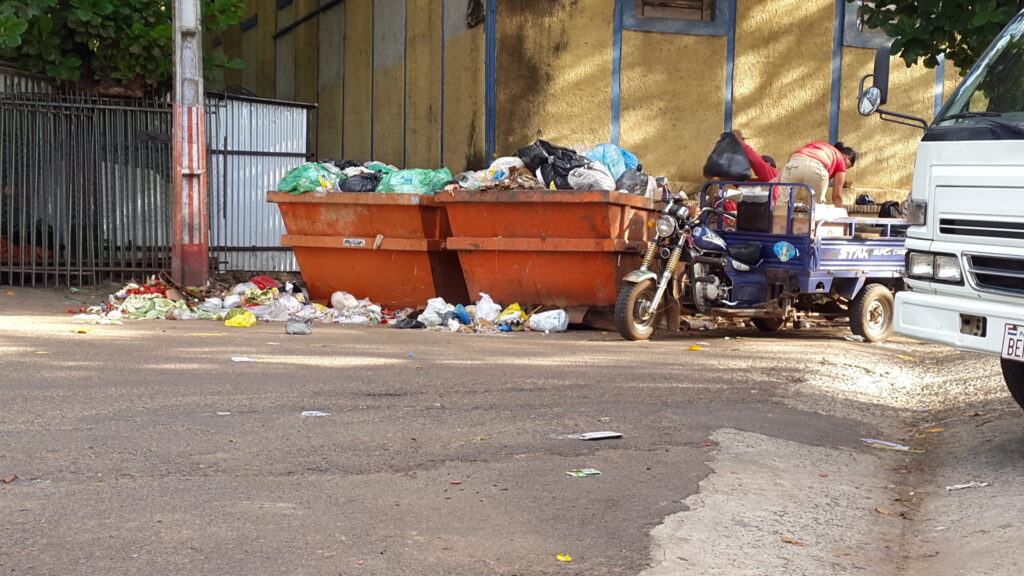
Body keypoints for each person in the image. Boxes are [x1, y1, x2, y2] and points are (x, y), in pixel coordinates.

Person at [777, 141, 857, 211]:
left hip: (793, 163)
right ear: (847, 157)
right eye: (848, 167)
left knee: (782, 206)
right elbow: (836, 197)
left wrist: (777, 178)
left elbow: (799, 163)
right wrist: (841, 217)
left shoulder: (819, 145)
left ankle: (778, 227)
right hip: (817, 167)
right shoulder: (841, 160)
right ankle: (815, 227)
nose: (845, 169)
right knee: (817, 208)